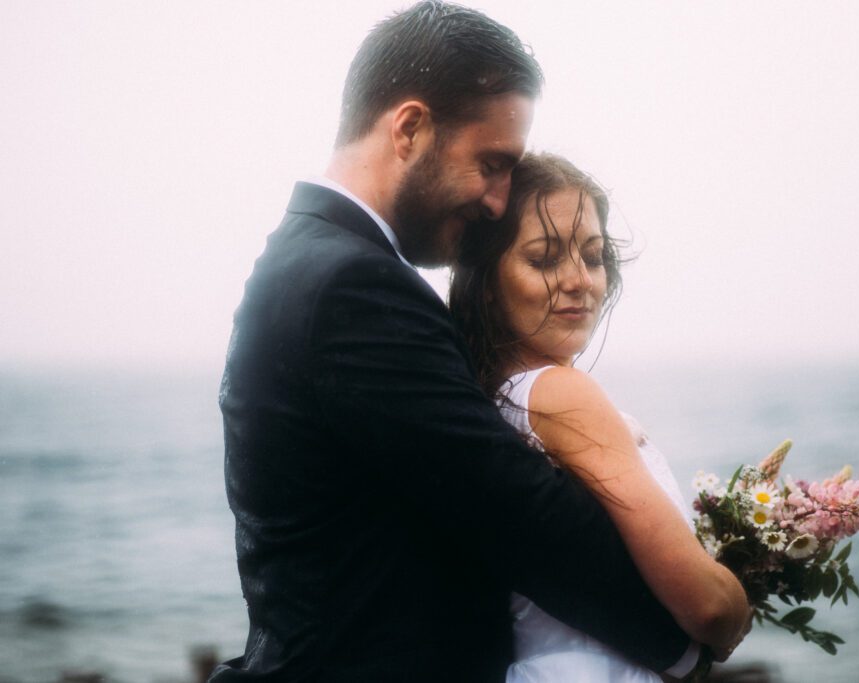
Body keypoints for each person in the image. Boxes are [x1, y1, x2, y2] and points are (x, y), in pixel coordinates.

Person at [214, 3, 711, 681]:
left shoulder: (310, 258)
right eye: (492, 163)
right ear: (411, 127)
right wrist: (695, 630)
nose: (500, 201)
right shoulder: (352, 284)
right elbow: (509, 508)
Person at [449, 152, 751, 682]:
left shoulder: (489, 400)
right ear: (489, 282)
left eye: (591, 257)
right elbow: (707, 606)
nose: (579, 281)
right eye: (544, 260)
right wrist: (736, 603)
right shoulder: (561, 394)